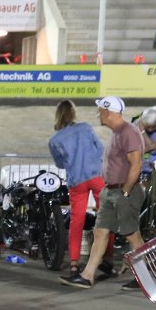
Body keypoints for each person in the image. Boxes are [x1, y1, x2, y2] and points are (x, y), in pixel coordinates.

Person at [62, 97, 143, 288]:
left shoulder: (129, 132)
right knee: (100, 232)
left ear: (109, 112)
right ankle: (87, 275)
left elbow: (136, 165)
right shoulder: (118, 132)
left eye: (100, 111)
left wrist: (125, 191)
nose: (98, 115)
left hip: (124, 191)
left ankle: (143, 278)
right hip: (111, 190)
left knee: (132, 234)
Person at [47, 100, 105, 275]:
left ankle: (74, 262)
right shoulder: (85, 128)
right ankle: (106, 257)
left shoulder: (54, 140)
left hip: (76, 180)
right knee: (105, 217)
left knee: (76, 222)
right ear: (73, 113)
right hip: (96, 176)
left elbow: (59, 164)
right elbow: (101, 149)